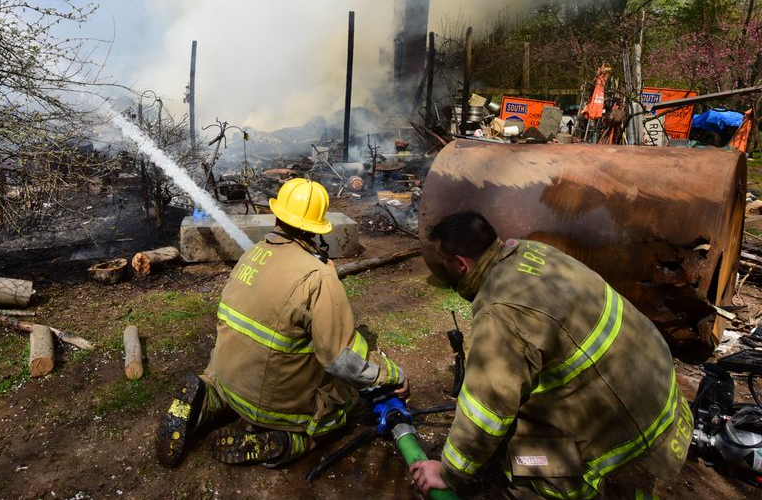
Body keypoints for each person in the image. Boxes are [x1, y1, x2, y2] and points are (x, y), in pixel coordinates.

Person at [410, 211, 692, 500]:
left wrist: (448, 471)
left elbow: (486, 412)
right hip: (658, 391)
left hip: (624, 427)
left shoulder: (500, 312)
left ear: (460, 264)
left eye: (444, 262)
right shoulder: (532, 251)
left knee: (529, 464)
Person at [156, 178, 408, 467]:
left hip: (227, 376)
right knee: (343, 404)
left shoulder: (252, 253)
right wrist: (390, 374)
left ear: (278, 215)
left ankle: (207, 398)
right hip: (270, 405)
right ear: (317, 227)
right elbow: (339, 359)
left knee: (232, 381)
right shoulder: (317, 275)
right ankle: (288, 441)